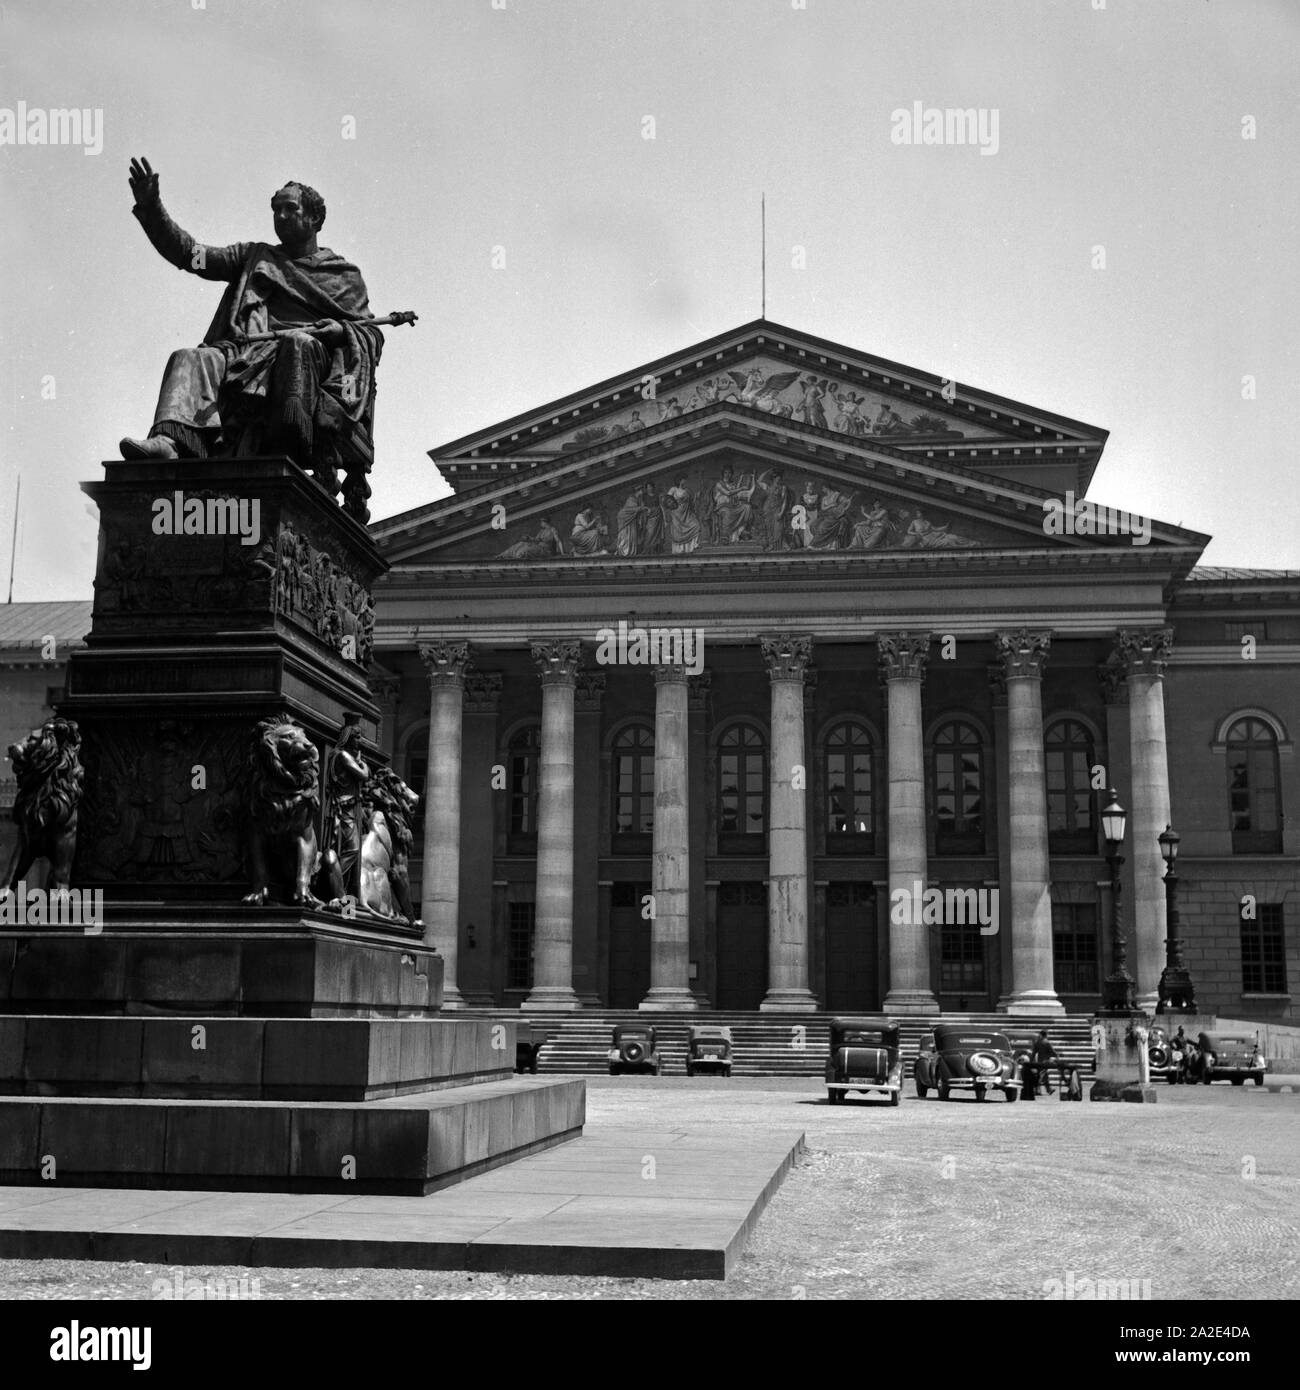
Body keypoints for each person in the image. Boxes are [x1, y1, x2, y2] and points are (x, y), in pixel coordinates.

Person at [119, 157, 383, 469]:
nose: (281, 216)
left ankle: (290, 445)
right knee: (189, 357)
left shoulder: (343, 275)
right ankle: (171, 441)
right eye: (276, 210)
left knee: (297, 344)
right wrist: (152, 209)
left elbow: (369, 336)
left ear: (314, 219)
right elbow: (192, 256)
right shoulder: (253, 257)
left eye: (290, 209)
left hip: (306, 361)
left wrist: (340, 332)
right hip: (245, 353)